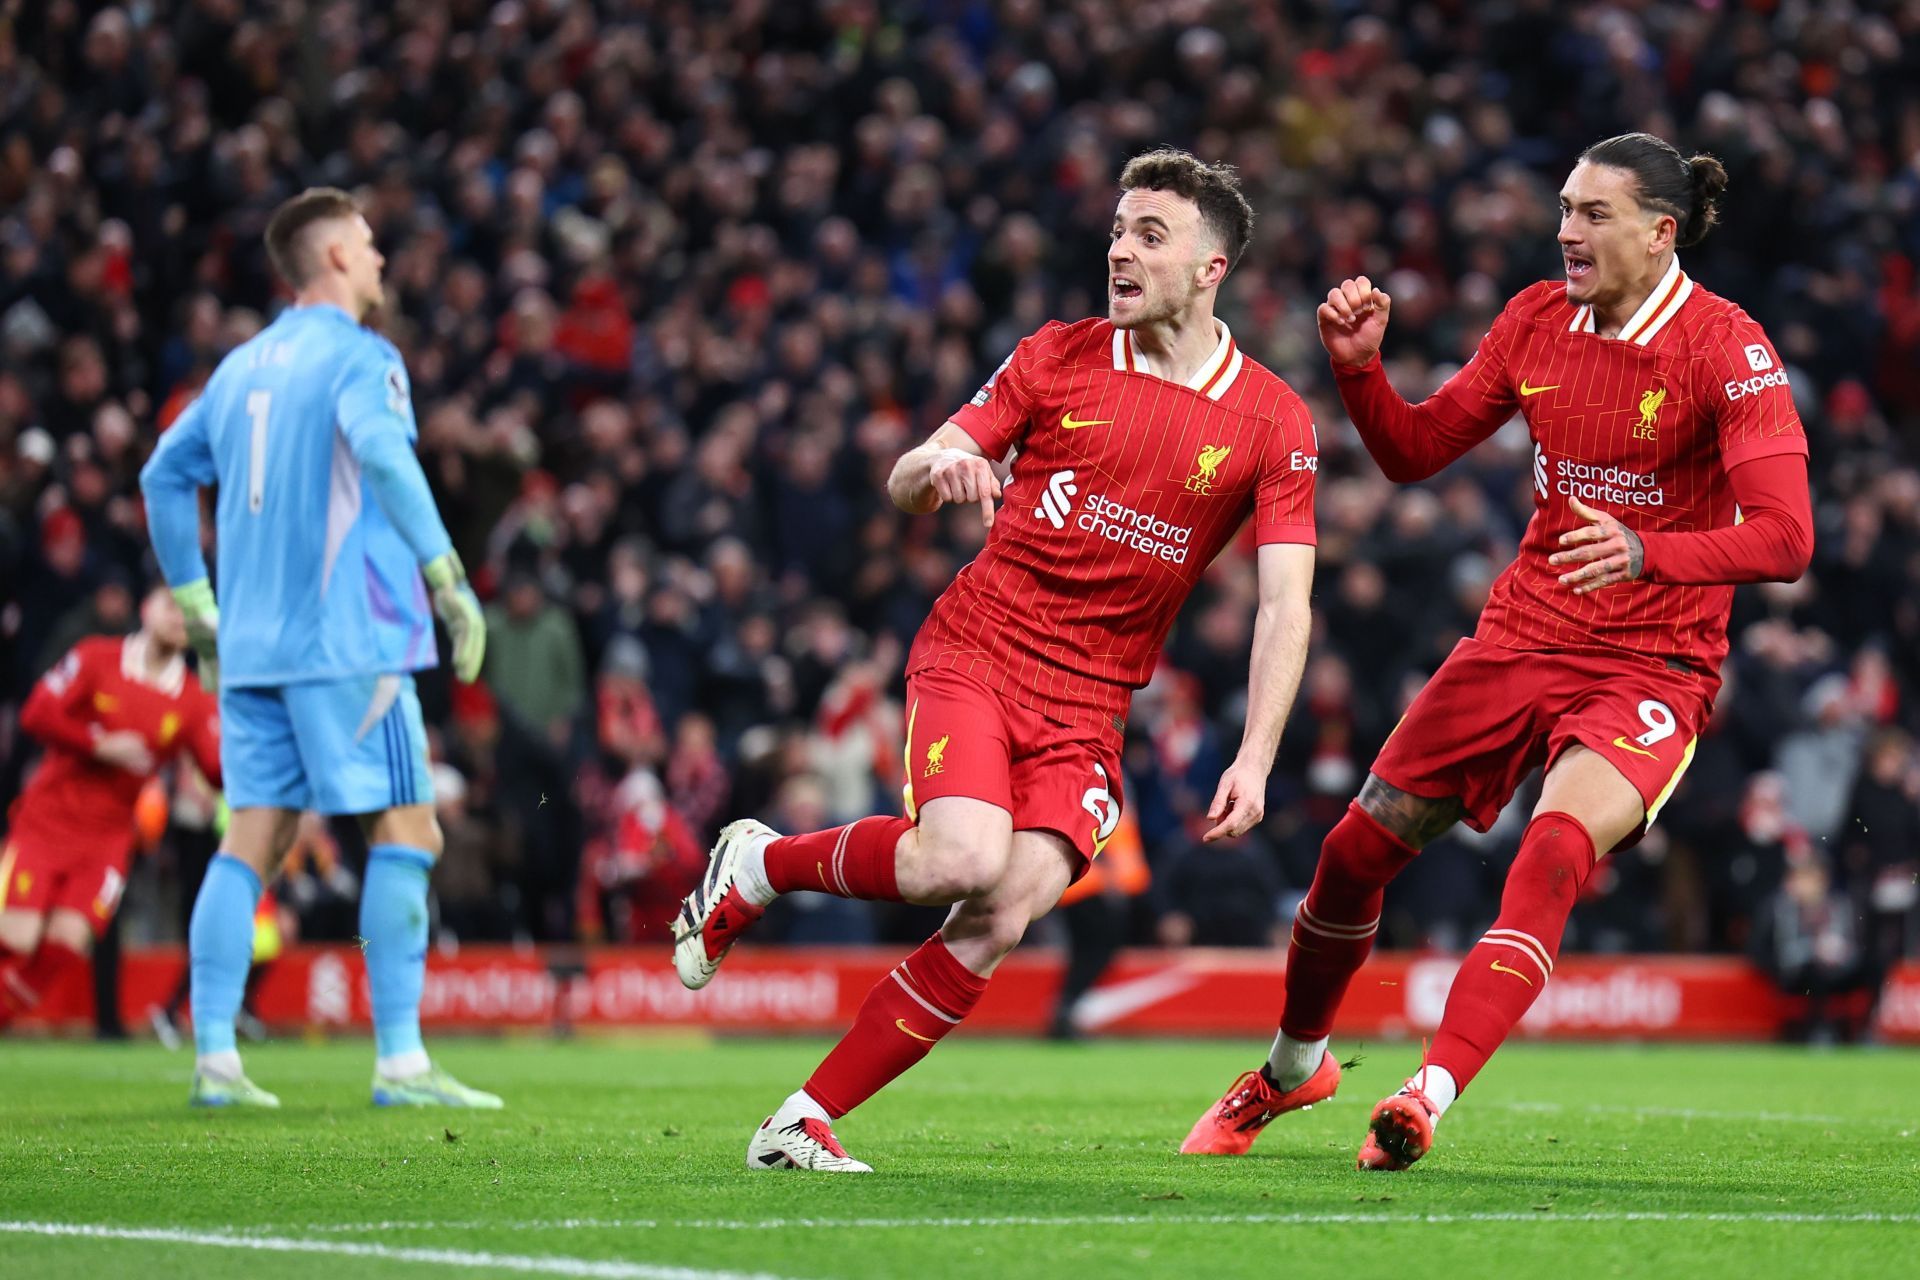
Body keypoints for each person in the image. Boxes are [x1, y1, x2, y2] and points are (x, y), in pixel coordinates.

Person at [673, 149, 1320, 1171]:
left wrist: (1257, 753)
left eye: (1150, 234)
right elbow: (905, 476)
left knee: (1005, 903)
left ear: (1211, 269)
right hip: (981, 649)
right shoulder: (1058, 354)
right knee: (961, 859)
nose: (1120, 248)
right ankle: (761, 860)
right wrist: (939, 466)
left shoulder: (1273, 419)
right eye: (1117, 228)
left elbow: (1286, 600)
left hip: (1093, 704)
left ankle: (798, 1118)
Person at [1182, 132, 1814, 1170]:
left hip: (1652, 663)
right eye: (1564, 207)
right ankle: (1293, 1068)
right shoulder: (1535, 318)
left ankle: (1426, 1094)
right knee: (1352, 853)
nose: (1566, 229)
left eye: (1593, 213)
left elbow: (1788, 536)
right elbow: (1414, 451)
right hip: (1521, 636)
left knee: (1554, 850)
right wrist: (1359, 373)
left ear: (1661, 234)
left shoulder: (1726, 347)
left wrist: (1650, 550)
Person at [140, 187, 499, 1109]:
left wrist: (195, 603)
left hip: (250, 648)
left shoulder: (238, 368)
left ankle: (215, 1058)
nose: (380, 260)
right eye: (370, 244)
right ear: (336, 256)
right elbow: (382, 455)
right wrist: (446, 575)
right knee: (407, 830)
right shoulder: (360, 357)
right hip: (348, 640)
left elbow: (162, 475)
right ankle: (401, 1063)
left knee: (253, 836)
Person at [1, 588, 219, 1029]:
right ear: (146, 610)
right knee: (17, 936)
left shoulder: (193, 699)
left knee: (69, 941)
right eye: (170, 605)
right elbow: (36, 713)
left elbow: (216, 770)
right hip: (48, 819)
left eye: (188, 612)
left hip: (109, 838)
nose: (178, 617)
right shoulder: (95, 657)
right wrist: (99, 744)